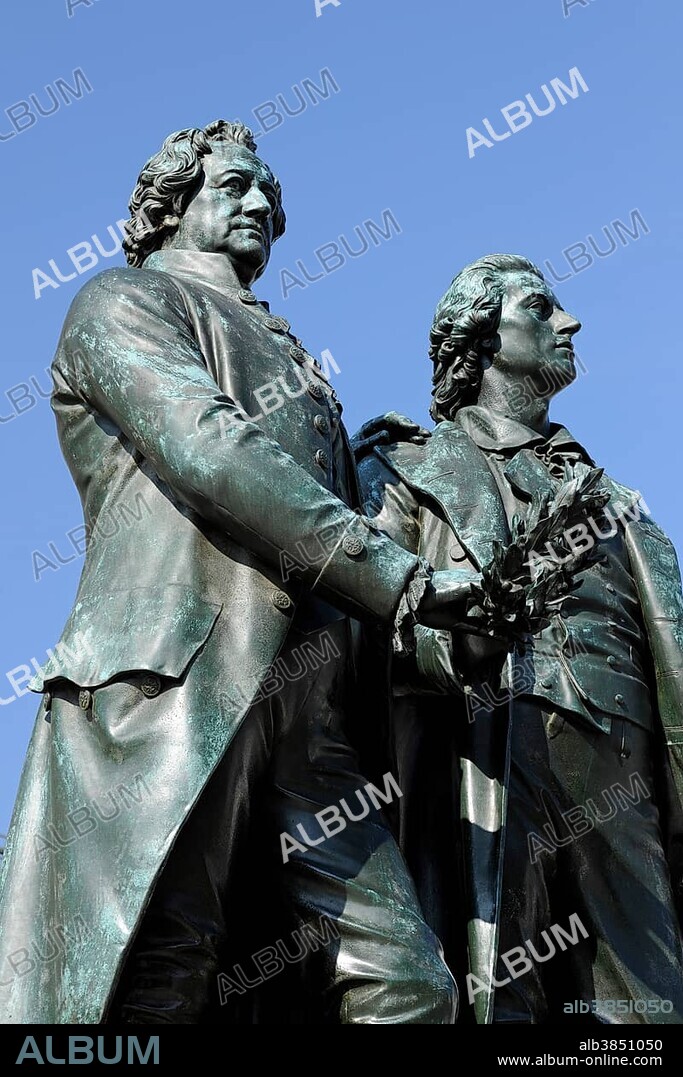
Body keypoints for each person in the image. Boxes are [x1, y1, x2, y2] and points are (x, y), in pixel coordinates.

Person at [0, 120, 469, 1025]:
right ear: (171, 204)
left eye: (270, 193)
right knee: (159, 963)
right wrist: (395, 575)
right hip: (175, 678)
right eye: (237, 186)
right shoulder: (122, 302)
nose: (262, 204)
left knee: (409, 981)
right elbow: (210, 450)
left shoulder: (299, 363)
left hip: (310, 711)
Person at [357, 254, 683, 1024]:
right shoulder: (402, 465)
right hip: (483, 741)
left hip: (623, 754)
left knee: (644, 1003)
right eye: (540, 307)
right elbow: (372, 623)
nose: (567, 322)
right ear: (481, 334)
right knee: (502, 991)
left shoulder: (613, 496)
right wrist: (458, 650)